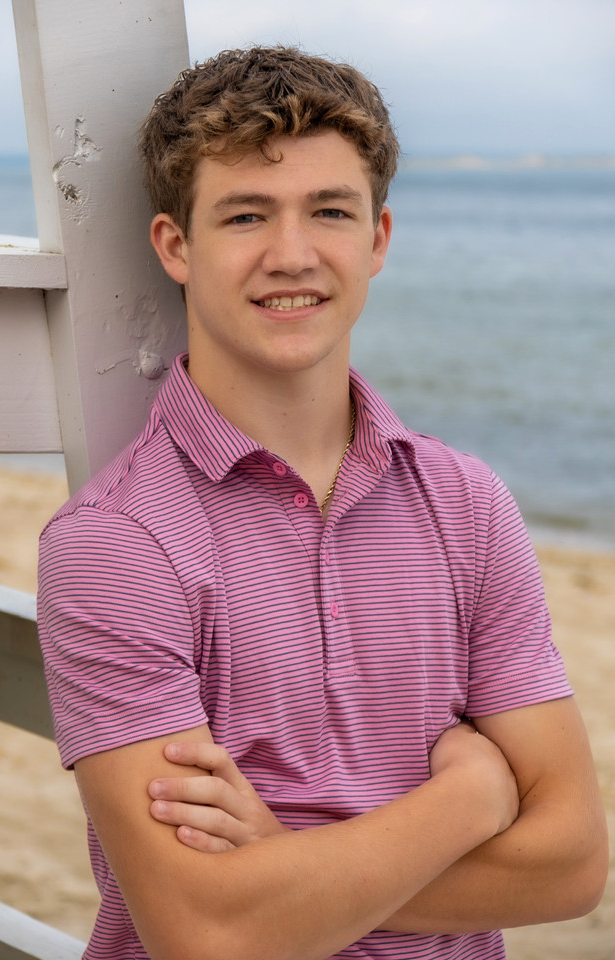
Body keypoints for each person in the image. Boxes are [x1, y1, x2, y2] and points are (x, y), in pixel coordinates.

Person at [37, 46, 607, 960]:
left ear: (377, 239)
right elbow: (206, 934)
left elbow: (571, 866)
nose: (292, 255)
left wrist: (285, 870)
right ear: (176, 246)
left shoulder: (465, 504)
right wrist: (469, 799)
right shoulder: (116, 543)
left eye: (331, 211)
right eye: (246, 215)